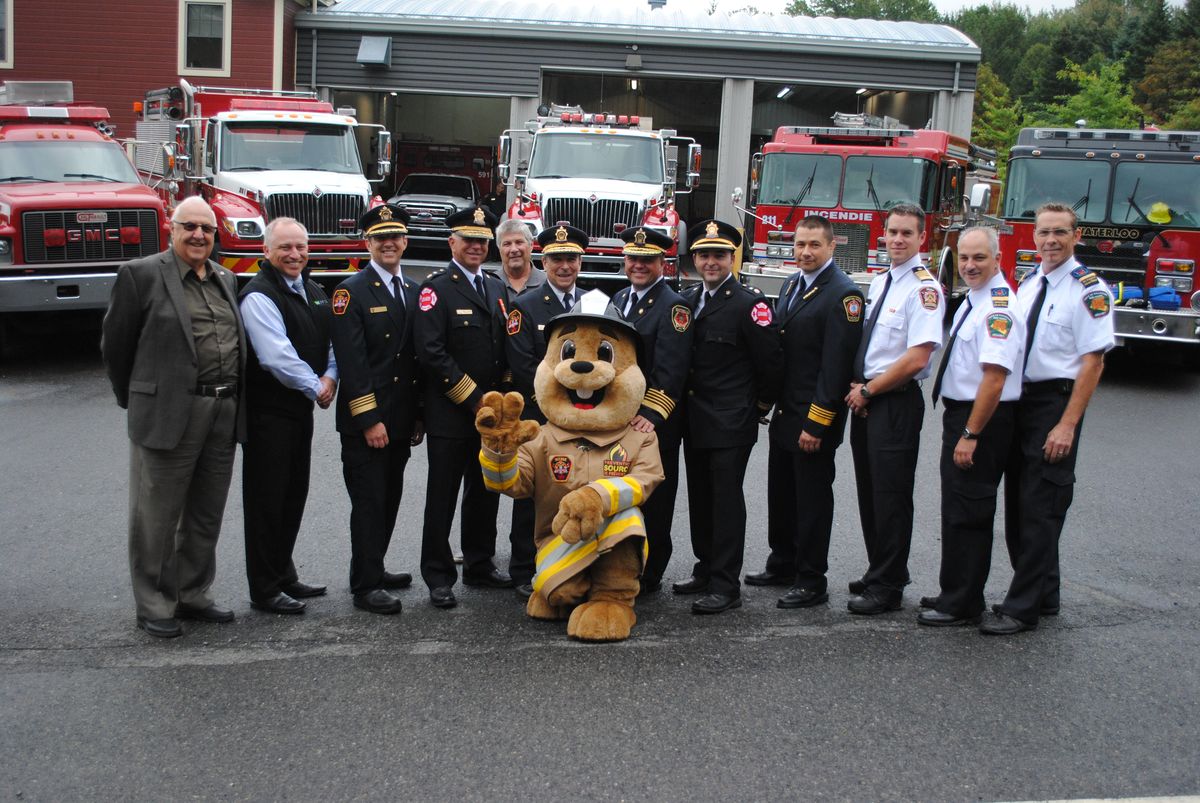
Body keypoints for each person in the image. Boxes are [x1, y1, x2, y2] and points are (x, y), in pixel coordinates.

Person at [101, 196, 245, 638]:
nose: (199, 235)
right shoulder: (140, 275)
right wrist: (141, 399)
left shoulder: (225, 278)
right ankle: (154, 603)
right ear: (172, 228)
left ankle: (192, 593)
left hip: (221, 409)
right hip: (168, 412)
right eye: (190, 227)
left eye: (206, 228)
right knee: (156, 515)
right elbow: (116, 346)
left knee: (205, 511)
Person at [988, 203, 1114, 635]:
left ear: (1077, 236)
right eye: (1043, 233)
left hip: (1054, 403)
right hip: (1021, 401)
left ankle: (1021, 608)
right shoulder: (1028, 283)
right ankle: (1045, 594)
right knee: (1021, 505)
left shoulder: (1089, 290)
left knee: (1042, 507)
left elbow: (1092, 363)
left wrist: (1067, 424)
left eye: (1060, 233)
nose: (1050, 241)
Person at [746, 215, 863, 609]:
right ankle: (783, 563)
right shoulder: (793, 283)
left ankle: (812, 578)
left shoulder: (843, 295)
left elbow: (835, 369)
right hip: (786, 413)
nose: (806, 252)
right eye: (799, 244)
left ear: (832, 247)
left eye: (814, 245)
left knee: (812, 501)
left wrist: (817, 423)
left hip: (814, 416)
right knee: (781, 493)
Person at [918, 226, 1025, 628]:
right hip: (963, 413)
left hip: (981, 417)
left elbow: (994, 378)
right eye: (963, 258)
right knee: (956, 506)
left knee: (970, 510)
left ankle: (964, 601)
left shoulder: (998, 308)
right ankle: (954, 590)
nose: (969, 266)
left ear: (998, 259)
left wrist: (971, 434)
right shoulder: (974, 299)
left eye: (979, 258)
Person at [676, 220, 782, 614]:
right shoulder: (687, 299)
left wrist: (758, 408)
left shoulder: (749, 303)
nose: (711, 262)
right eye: (704, 254)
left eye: (719, 254)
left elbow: (770, 362)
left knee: (725, 502)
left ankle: (726, 585)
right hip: (695, 419)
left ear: (732, 258)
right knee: (701, 499)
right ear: (695, 259)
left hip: (731, 421)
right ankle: (705, 568)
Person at [843, 202, 944, 615]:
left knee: (891, 495)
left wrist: (869, 391)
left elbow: (918, 357)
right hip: (869, 397)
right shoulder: (884, 280)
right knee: (870, 491)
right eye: (892, 232)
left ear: (922, 238)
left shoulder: (924, 288)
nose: (898, 240)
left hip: (894, 402)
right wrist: (862, 388)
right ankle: (879, 569)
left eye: (907, 233)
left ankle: (888, 586)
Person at [239, 217, 337, 615]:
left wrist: (331, 374)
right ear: (266, 252)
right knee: (267, 499)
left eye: (300, 247)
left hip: (299, 411)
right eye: (285, 248)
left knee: (293, 494)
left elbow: (330, 339)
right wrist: (317, 386)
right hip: (269, 415)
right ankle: (264, 588)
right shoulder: (259, 295)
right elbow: (275, 356)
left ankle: (283, 572)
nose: (294, 254)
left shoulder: (312, 290)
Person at [329, 204, 424, 615]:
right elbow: (353, 364)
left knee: (389, 498)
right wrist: (369, 420)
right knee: (368, 502)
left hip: (401, 419)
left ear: (405, 241)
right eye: (380, 237)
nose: (389, 243)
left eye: (395, 236)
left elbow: (415, 361)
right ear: (367, 243)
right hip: (368, 423)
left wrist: (417, 415)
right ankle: (365, 585)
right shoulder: (351, 291)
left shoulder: (415, 290)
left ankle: (376, 566)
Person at [414, 206, 511, 609]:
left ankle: (479, 562)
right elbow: (431, 352)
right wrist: (474, 400)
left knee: (484, 491)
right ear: (451, 242)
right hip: (453, 413)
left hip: (489, 416)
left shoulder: (495, 287)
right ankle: (438, 575)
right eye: (467, 239)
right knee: (443, 494)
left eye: (481, 240)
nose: (475, 246)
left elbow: (503, 348)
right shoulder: (436, 288)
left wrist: (501, 400)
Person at [503, 223, 588, 598]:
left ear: (580, 262)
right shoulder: (525, 307)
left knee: (575, 488)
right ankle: (523, 568)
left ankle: (576, 562)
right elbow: (523, 364)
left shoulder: (594, 304)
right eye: (556, 259)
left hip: (584, 417)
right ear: (544, 261)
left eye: (571, 259)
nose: (564, 266)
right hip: (542, 419)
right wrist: (559, 406)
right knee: (533, 492)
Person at [611, 227, 693, 594]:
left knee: (655, 495)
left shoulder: (674, 306)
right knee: (623, 490)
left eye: (647, 260)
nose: (639, 266)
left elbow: (672, 369)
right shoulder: (619, 299)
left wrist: (653, 414)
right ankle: (619, 561)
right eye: (633, 259)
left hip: (652, 421)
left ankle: (652, 568)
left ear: (663, 263)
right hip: (619, 418)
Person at [495, 218, 547, 304]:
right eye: (507, 244)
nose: (514, 249)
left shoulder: (548, 283)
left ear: (531, 245)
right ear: (499, 248)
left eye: (519, 242)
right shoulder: (489, 284)